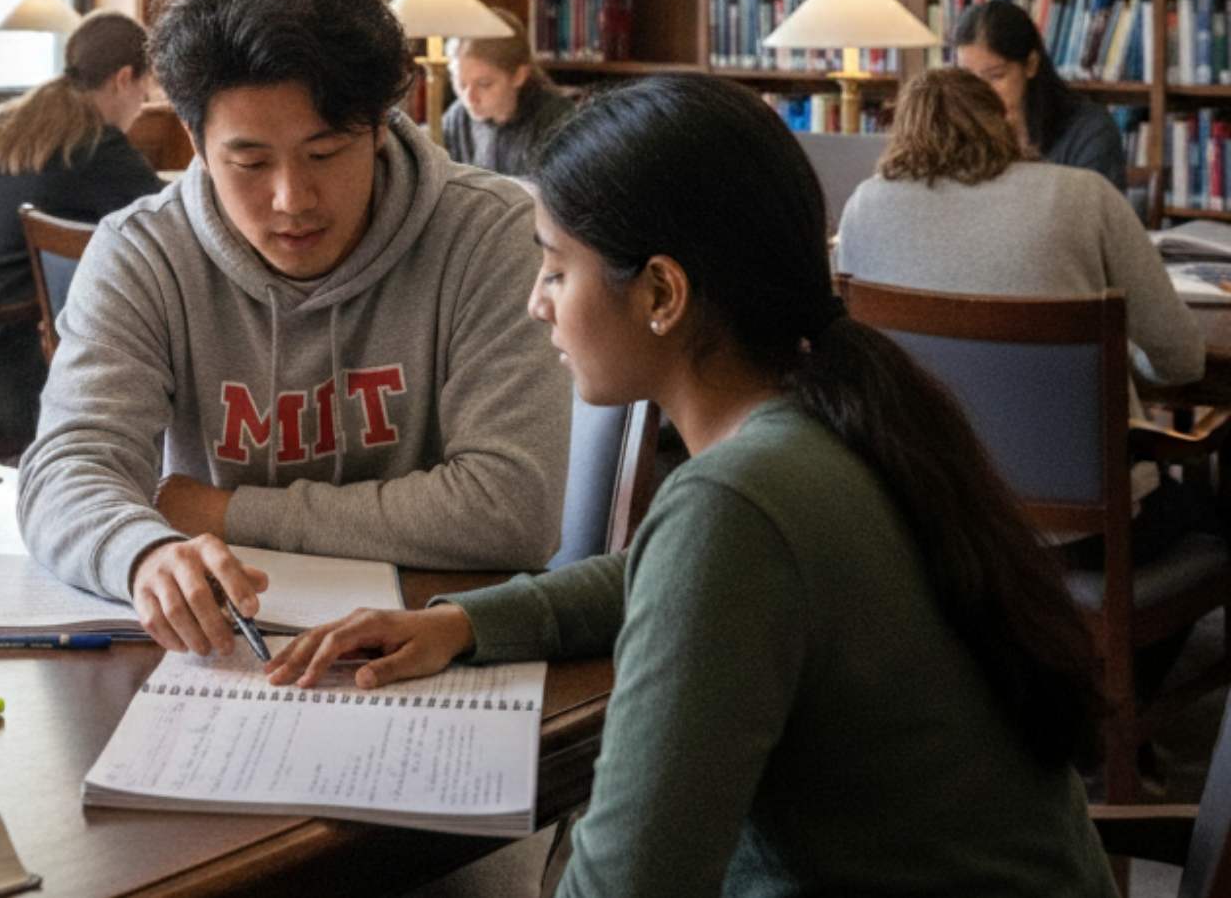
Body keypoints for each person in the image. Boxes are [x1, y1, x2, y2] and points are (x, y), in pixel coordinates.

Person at [265, 73, 1116, 897]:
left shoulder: (741, 500)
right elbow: (662, 577)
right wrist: (460, 623)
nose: (536, 304)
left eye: (557, 269)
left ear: (663, 292)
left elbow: (630, 883)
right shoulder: (834, 413)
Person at [16, 0, 572, 655]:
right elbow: (67, 467)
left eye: (326, 152)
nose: (291, 200)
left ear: (378, 126)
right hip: (226, 652)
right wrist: (139, 553)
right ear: (195, 142)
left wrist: (221, 510)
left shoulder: (488, 234)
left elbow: (510, 509)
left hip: (436, 648)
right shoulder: (141, 253)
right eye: (248, 162)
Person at [836, 67, 1205, 558]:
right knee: (1204, 516)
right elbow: (1183, 363)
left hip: (931, 531)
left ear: (899, 129)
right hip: (1086, 538)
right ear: (1001, 121)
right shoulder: (1083, 195)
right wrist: (1120, 357)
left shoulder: (863, 208)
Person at [0, 10, 165, 454]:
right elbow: (169, 221)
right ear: (125, 78)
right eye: (145, 92)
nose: (142, 105)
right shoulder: (94, 146)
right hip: (2, 382)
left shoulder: (0, 127)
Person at [953, 0, 1128, 191]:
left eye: (995, 75)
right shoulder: (954, 128)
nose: (979, 90)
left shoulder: (1089, 130)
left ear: (1031, 65)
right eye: (966, 77)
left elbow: (1096, 215)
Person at [440, 9, 576, 176]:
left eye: (484, 84)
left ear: (519, 76)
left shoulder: (558, 120)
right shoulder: (458, 117)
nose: (469, 99)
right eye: (460, 83)